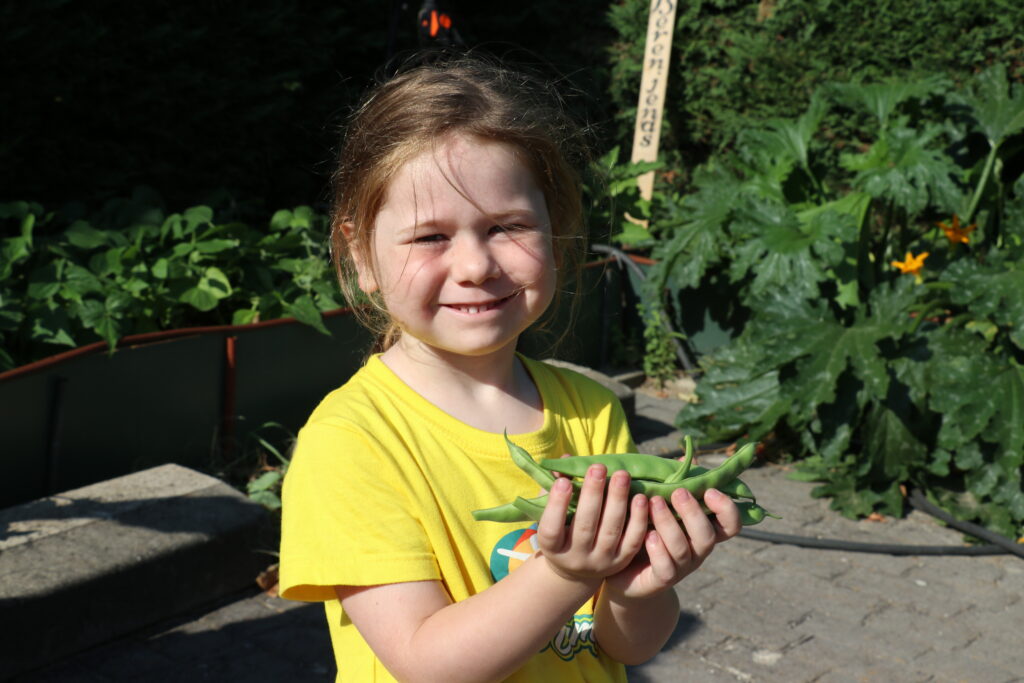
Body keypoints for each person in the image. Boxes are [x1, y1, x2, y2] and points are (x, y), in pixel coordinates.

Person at [278, 53, 741, 682]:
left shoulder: (590, 409)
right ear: (359, 255)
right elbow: (425, 664)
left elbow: (628, 648)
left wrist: (640, 588)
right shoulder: (351, 443)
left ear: (556, 230)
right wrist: (563, 574)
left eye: (507, 226)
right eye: (429, 237)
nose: (475, 264)